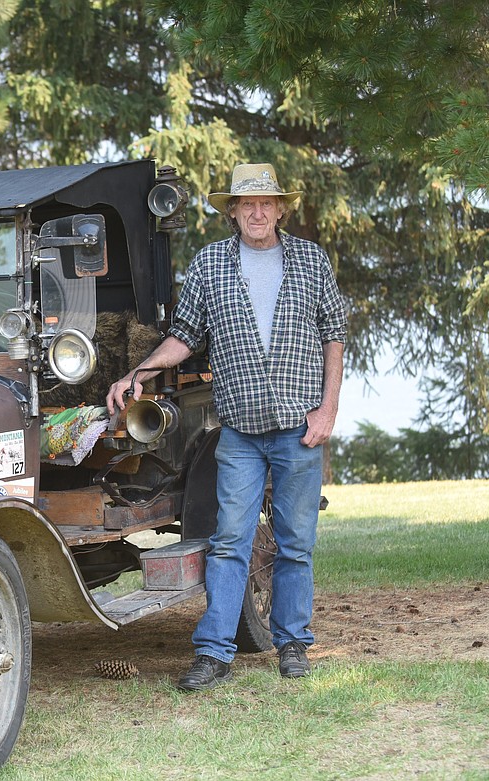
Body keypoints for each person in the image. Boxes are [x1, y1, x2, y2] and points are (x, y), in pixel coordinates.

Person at [106, 163, 347, 690]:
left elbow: (334, 335)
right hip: (239, 431)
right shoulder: (212, 264)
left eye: (266, 204)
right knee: (228, 540)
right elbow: (184, 336)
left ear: (280, 209)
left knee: (294, 543)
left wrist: (328, 409)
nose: (257, 212)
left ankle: (292, 644)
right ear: (232, 212)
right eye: (246, 204)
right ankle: (215, 651)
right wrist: (138, 371)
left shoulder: (310, 260)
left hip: (299, 427)